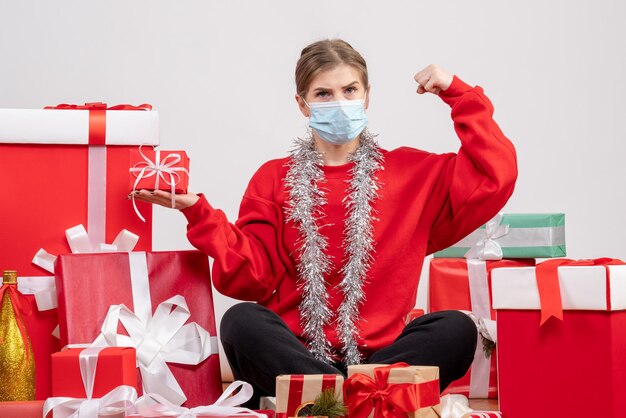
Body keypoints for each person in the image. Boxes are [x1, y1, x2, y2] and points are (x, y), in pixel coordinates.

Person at [133, 39, 517, 406]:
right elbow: (252, 277)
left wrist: (457, 92)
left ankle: (331, 401)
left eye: (350, 90)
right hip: (298, 357)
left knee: (457, 328)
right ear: (302, 104)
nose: (339, 102)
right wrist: (196, 211)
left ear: (367, 95)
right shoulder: (273, 177)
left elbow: (494, 173)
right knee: (240, 322)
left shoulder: (413, 172)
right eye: (323, 94)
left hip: (384, 356)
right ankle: (358, 398)